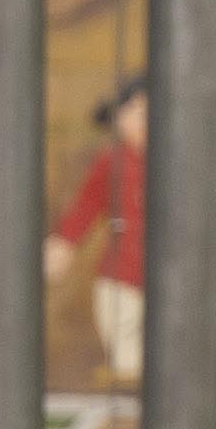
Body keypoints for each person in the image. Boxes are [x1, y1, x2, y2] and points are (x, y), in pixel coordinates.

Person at [44, 78, 154, 387]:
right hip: (121, 277)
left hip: (172, 282)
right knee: (127, 352)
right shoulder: (112, 161)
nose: (147, 120)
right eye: (136, 112)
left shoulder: (184, 163)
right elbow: (87, 205)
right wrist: (64, 243)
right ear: (118, 118)